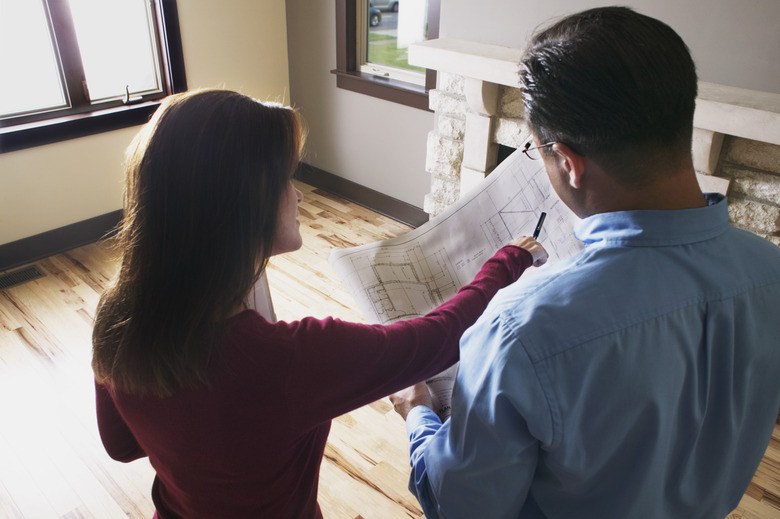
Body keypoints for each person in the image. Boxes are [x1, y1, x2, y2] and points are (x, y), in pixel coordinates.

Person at [390, 6, 780, 518]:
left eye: (537, 151)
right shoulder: (769, 271)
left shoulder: (520, 328)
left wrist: (418, 413)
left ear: (569, 162)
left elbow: (460, 504)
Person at [91, 88, 548, 519]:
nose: (299, 194)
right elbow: (441, 340)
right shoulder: (286, 359)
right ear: (242, 207)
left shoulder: (116, 315)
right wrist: (511, 259)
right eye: (287, 180)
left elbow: (121, 445)